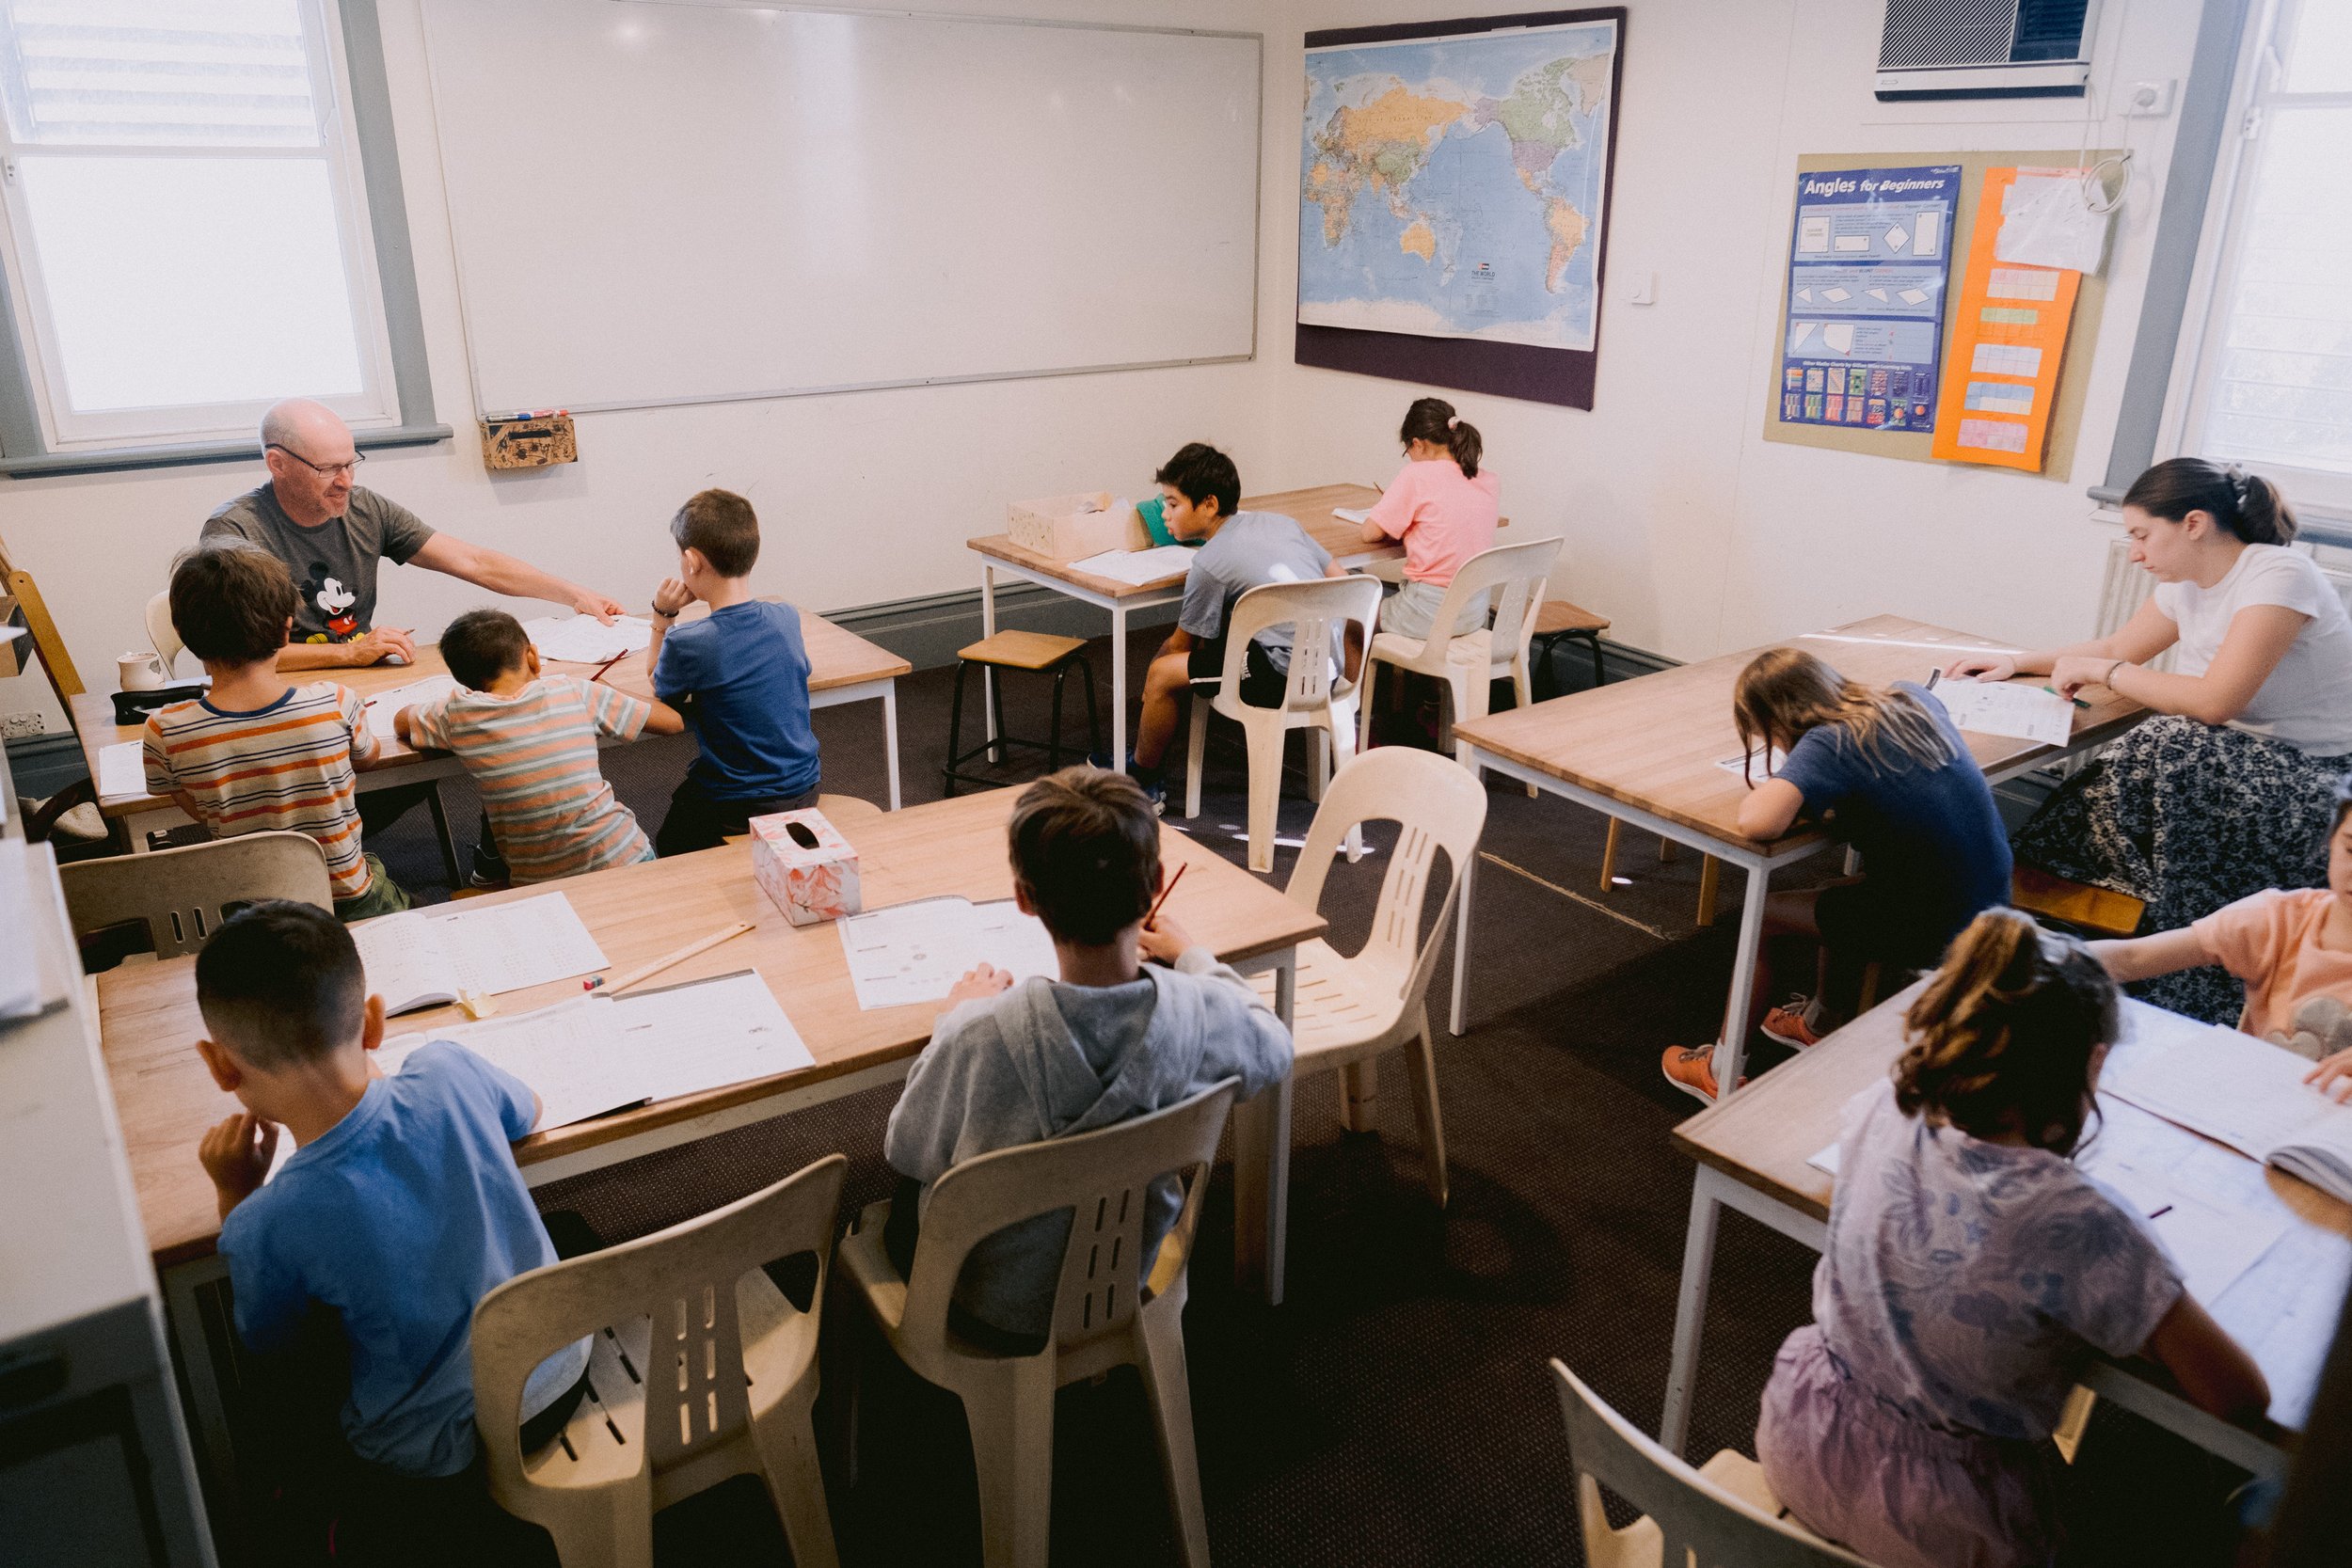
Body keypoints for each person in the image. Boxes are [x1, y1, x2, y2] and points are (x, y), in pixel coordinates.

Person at [1755, 909, 2269, 1568]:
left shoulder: (1887, 1104)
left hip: (1803, 1438)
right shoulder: (2078, 1220)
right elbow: (2239, 1398)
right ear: (2092, 1060)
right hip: (1951, 1529)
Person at [191, 902, 589, 1558]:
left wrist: (235, 1194)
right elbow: (529, 1110)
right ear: (373, 1021)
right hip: (560, 1368)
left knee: (292, 1374)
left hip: (437, 1456)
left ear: (220, 1066)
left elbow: (266, 1338)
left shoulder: (268, 1218)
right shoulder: (448, 1070)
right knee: (568, 1227)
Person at [880, 767, 1293, 1345]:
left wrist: (953, 1017)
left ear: (1024, 898)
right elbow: (1274, 1047)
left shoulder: (977, 1036)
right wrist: (1195, 955)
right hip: (1127, 1275)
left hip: (992, 1304)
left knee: (894, 1203)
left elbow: (907, 1146)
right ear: (1155, 885)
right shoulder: (1199, 1013)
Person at [1946, 459, 2352, 1023]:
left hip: (2318, 780)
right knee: (2146, 757)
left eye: (2141, 534)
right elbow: (2116, 647)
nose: (2135, 552)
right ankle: (2043, 943)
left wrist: (2103, 675)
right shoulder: (2185, 585)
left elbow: (2216, 702)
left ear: (2193, 523)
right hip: (2232, 762)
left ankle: (2165, 975)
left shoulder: (2279, 574)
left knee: (2169, 740)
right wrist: (2016, 662)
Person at [202, 398, 627, 885]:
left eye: (350, 463)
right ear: (277, 463)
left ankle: (482, 856)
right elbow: (231, 656)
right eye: (328, 469)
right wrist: (346, 652)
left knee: (494, 714)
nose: (346, 480)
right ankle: (320, 858)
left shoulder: (365, 510)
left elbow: (473, 562)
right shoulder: (236, 531)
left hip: (360, 692)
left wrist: (572, 593)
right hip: (281, 695)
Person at [1662, 647, 2010, 1101]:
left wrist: (1795, 774)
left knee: (1765, 914)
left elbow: (1757, 823)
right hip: (1990, 901)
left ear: (1776, 718)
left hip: (1938, 926)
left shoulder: (1827, 742)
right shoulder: (1909, 698)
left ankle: (1720, 1071)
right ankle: (1819, 1022)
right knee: (1833, 893)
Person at [142, 543, 408, 922]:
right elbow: (368, 759)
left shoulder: (164, 732)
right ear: (287, 631)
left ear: (182, 633)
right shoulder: (336, 701)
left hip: (252, 913)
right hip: (348, 899)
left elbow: (200, 811)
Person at [1124, 441, 1351, 810]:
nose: (1165, 514)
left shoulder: (1209, 562)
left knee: (1163, 674)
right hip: (1327, 666)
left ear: (1209, 504)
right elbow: (1342, 584)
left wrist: (1151, 685)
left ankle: (1142, 779)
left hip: (1279, 675)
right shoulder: (1283, 524)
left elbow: (1181, 646)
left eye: (1172, 504)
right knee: (1216, 645)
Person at [2090, 774, 2352, 1084]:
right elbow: (2133, 957)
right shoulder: (2282, 918)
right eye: (2351, 850)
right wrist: (2031, 950)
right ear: (2331, 840)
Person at [393, 608, 683, 885]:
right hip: (622, 856)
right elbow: (672, 723)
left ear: (464, 682)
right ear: (533, 656)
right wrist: (605, 689)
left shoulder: (456, 714)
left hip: (539, 880)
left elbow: (401, 721)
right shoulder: (575, 691)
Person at [646, 488, 822, 854]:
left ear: (692, 561)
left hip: (738, 802)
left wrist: (662, 617)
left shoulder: (690, 641)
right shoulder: (785, 616)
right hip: (804, 786)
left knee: (669, 842)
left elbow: (658, 688)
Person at [1359, 396, 1499, 639]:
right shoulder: (1488, 480)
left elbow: (1369, 533)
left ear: (1417, 444)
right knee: (1394, 600)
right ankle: (1416, 671)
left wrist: (1387, 507)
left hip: (1428, 613)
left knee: (1351, 617)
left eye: (1408, 451)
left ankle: (1359, 678)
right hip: (1473, 612)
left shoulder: (1416, 474)